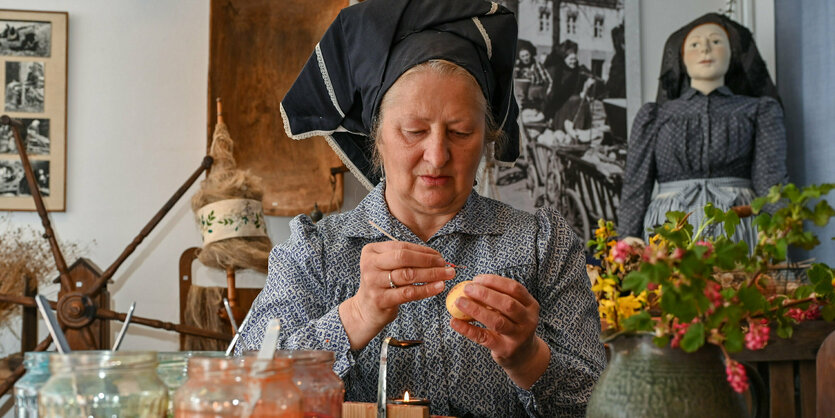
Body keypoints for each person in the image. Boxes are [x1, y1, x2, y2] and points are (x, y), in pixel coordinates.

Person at [236, 0, 606, 416]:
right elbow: (246, 392)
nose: (437, 155)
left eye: (461, 132)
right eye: (414, 131)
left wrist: (527, 359)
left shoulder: (543, 246)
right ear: (376, 137)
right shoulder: (315, 251)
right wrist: (357, 314)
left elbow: (601, 405)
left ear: (488, 137)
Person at [618, 13, 787, 246]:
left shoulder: (758, 111)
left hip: (738, 223)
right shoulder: (656, 116)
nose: (705, 49)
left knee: (738, 280)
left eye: (716, 41)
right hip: (670, 228)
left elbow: (770, 177)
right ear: (681, 58)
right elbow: (637, 184)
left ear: (733, 52)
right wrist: (628, 235)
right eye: (695, 44)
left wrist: (776, 225)